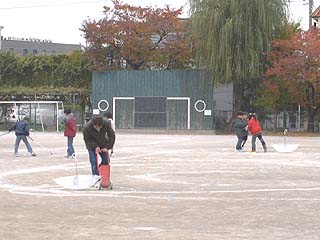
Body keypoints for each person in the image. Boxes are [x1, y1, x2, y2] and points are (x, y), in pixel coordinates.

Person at [83, 116, 115, 185]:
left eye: (100, 127)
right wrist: (95, 147)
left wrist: (107, 147)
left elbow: (112, 135)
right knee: (94, 161)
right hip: (91, 146)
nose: (98, 129)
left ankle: (102, 174)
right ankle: (95, 179)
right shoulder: (87, 127)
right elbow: (87, 140)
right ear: (93, 125)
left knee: (106, 161)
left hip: (103, 144)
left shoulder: (106, 123)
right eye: (97, 127)